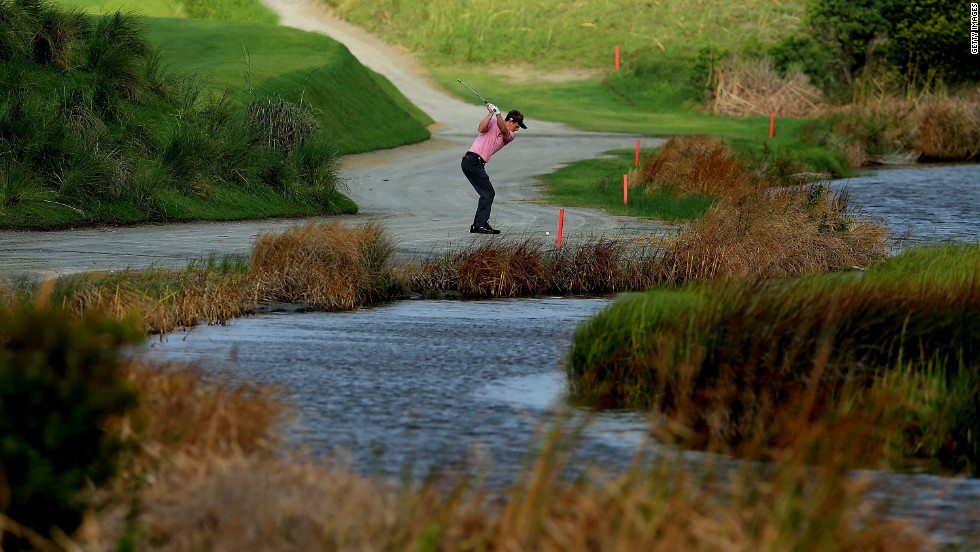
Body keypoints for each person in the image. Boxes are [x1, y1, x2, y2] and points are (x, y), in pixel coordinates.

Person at [461, 103, 527, 234]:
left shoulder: (510, 135)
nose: (517, 129)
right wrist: (491, 113)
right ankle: (480, 225)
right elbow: (481, 129)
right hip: (471, 160)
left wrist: (498, 114)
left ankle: (478, 224)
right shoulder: (492, 122)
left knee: (487, 193)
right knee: (488, 193)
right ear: (511, 121)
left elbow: (503, 130)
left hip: (475, 163)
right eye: (517, 126)